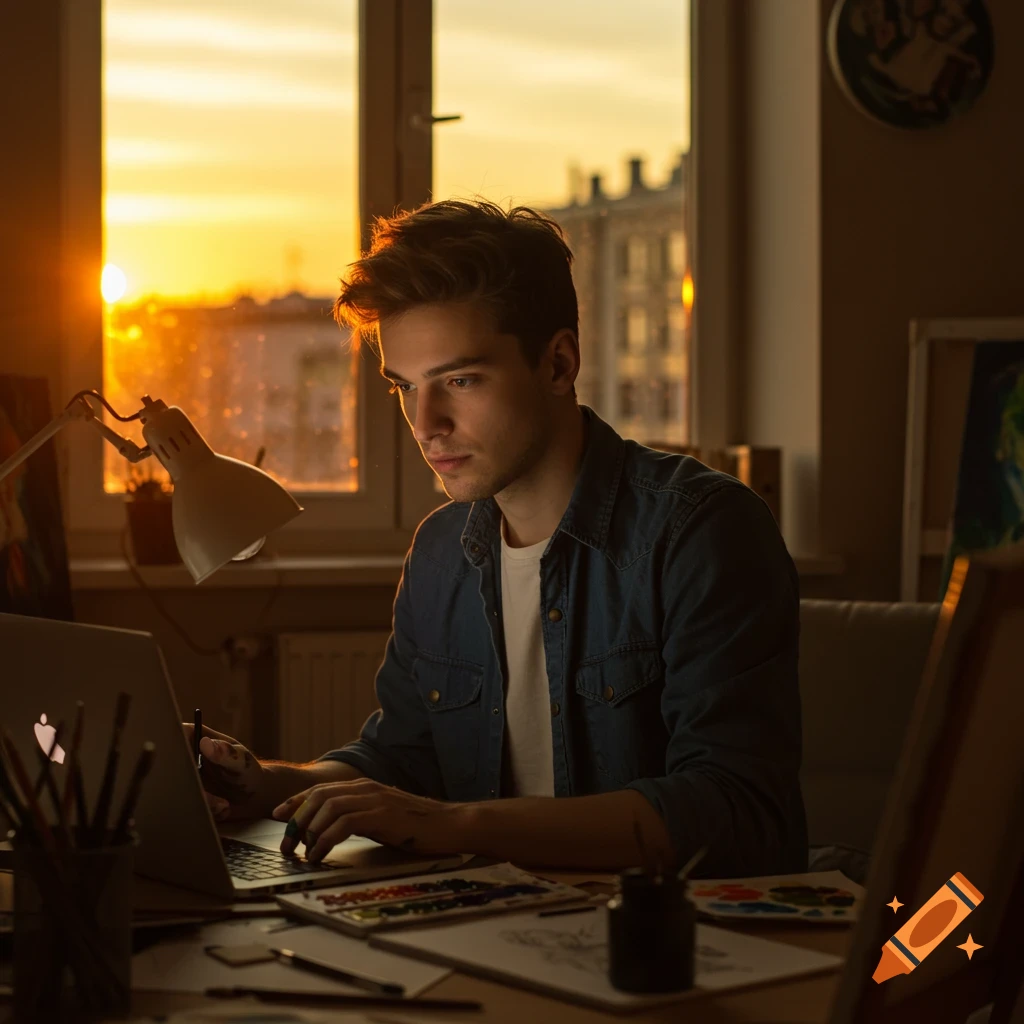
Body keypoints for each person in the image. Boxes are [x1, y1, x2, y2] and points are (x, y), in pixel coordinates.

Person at [188, 199, 807, 876]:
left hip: (661, 947)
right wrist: (269, 783)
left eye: (460, 380)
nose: (426, 424)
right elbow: (403, 760)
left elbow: (737, 814)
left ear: (558, 364)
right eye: (405, 387)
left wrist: (452, 823)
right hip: (492, 928)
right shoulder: (440, 551)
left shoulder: (700, 530)